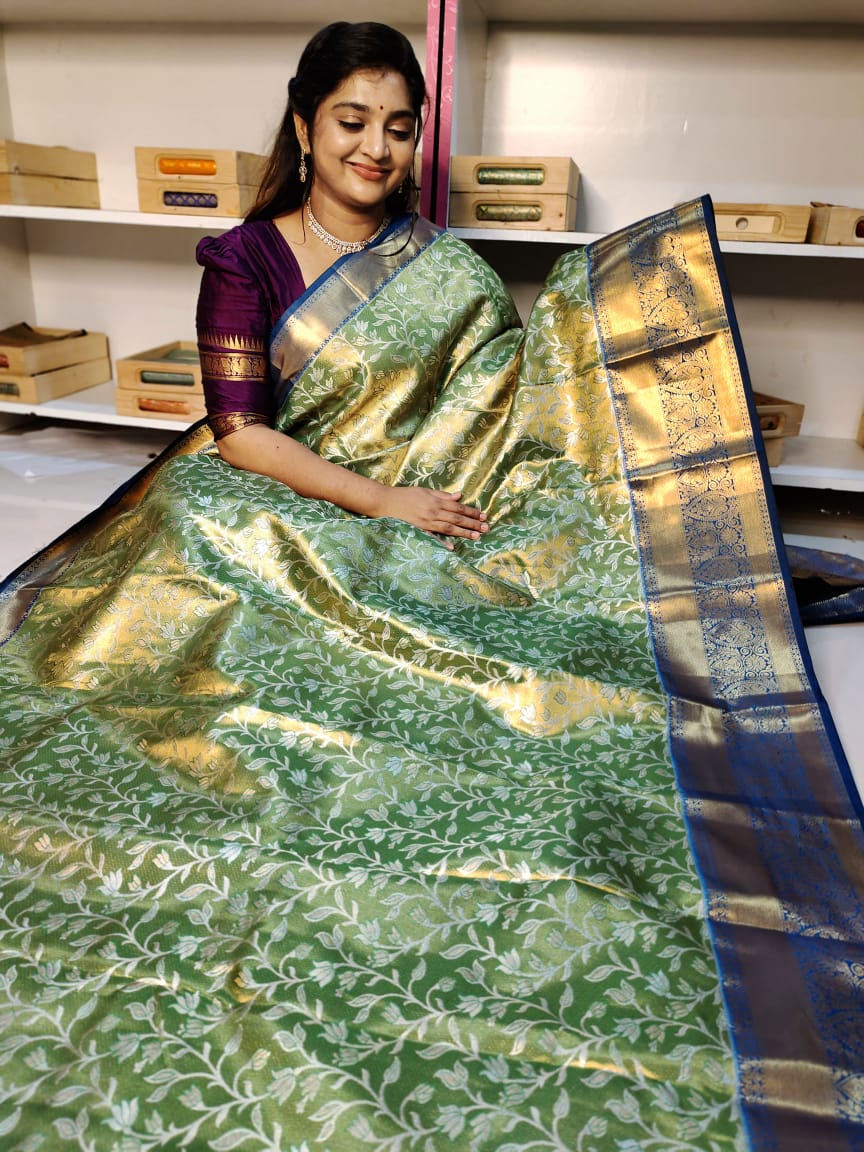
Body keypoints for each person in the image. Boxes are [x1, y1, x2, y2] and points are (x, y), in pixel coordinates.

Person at [1, 21, 863, 1152]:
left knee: (521, 584)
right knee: (210, 518)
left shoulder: (444, 269)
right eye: (351, 121)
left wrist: (607, 329)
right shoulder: (245, 259)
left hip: (413, 499)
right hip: (285, 487)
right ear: (304, 127)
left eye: (399, 127)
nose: (376, 147)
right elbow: (241, 433)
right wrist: (380, 500)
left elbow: (505, 402)